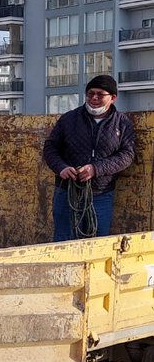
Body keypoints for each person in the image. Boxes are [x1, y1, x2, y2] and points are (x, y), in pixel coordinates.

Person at [43, 75, 135, 240]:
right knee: (64, 239)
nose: (94, 98)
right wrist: (61, 168)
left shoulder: (122, 123)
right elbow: (50, 147)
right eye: (90, 93)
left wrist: (96, 169)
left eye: (100, 94)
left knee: (98, 240)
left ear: (113, 98)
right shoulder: (69, 119)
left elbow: (127, 154)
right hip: (66, 191)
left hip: (101, 193)